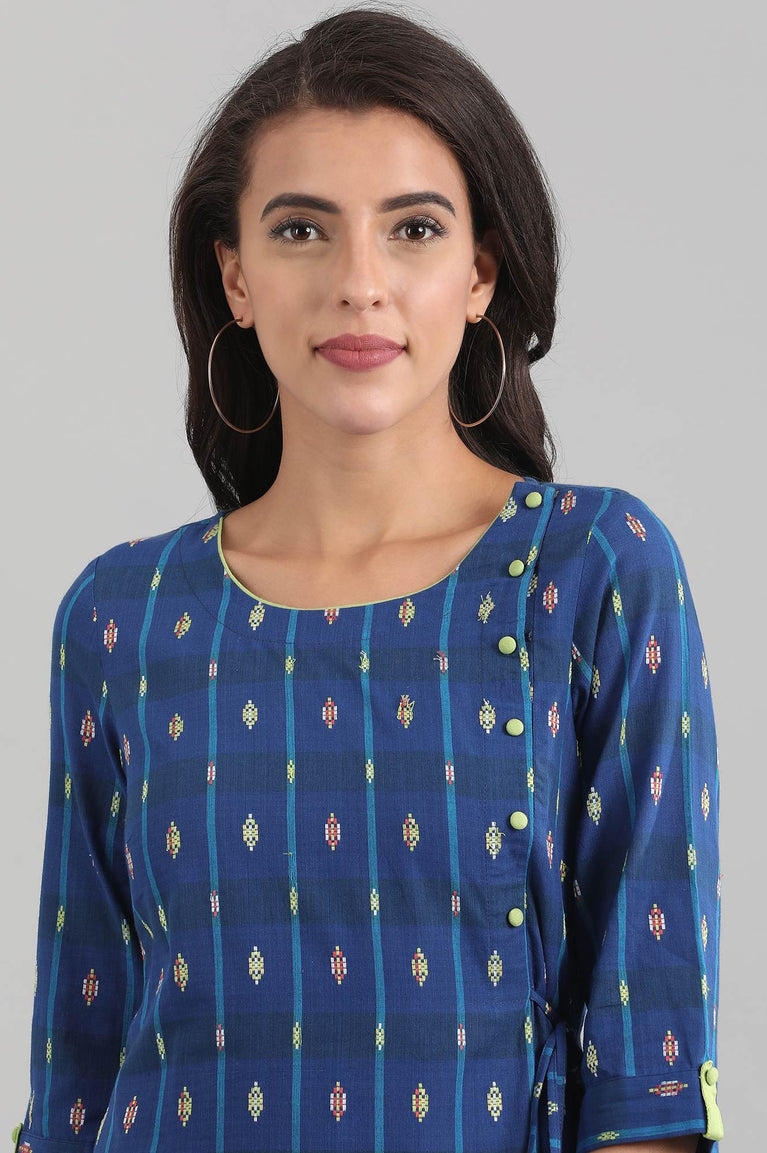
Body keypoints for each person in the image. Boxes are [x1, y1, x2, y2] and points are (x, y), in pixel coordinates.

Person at [11, 6, 723, 1152]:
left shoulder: (591, 571)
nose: (358, 282)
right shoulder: (122, 620)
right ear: (235, 276)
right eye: (301, 229)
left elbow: (650, 1083)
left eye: (413, 228)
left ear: (479, 272)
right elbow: (75, 1074)